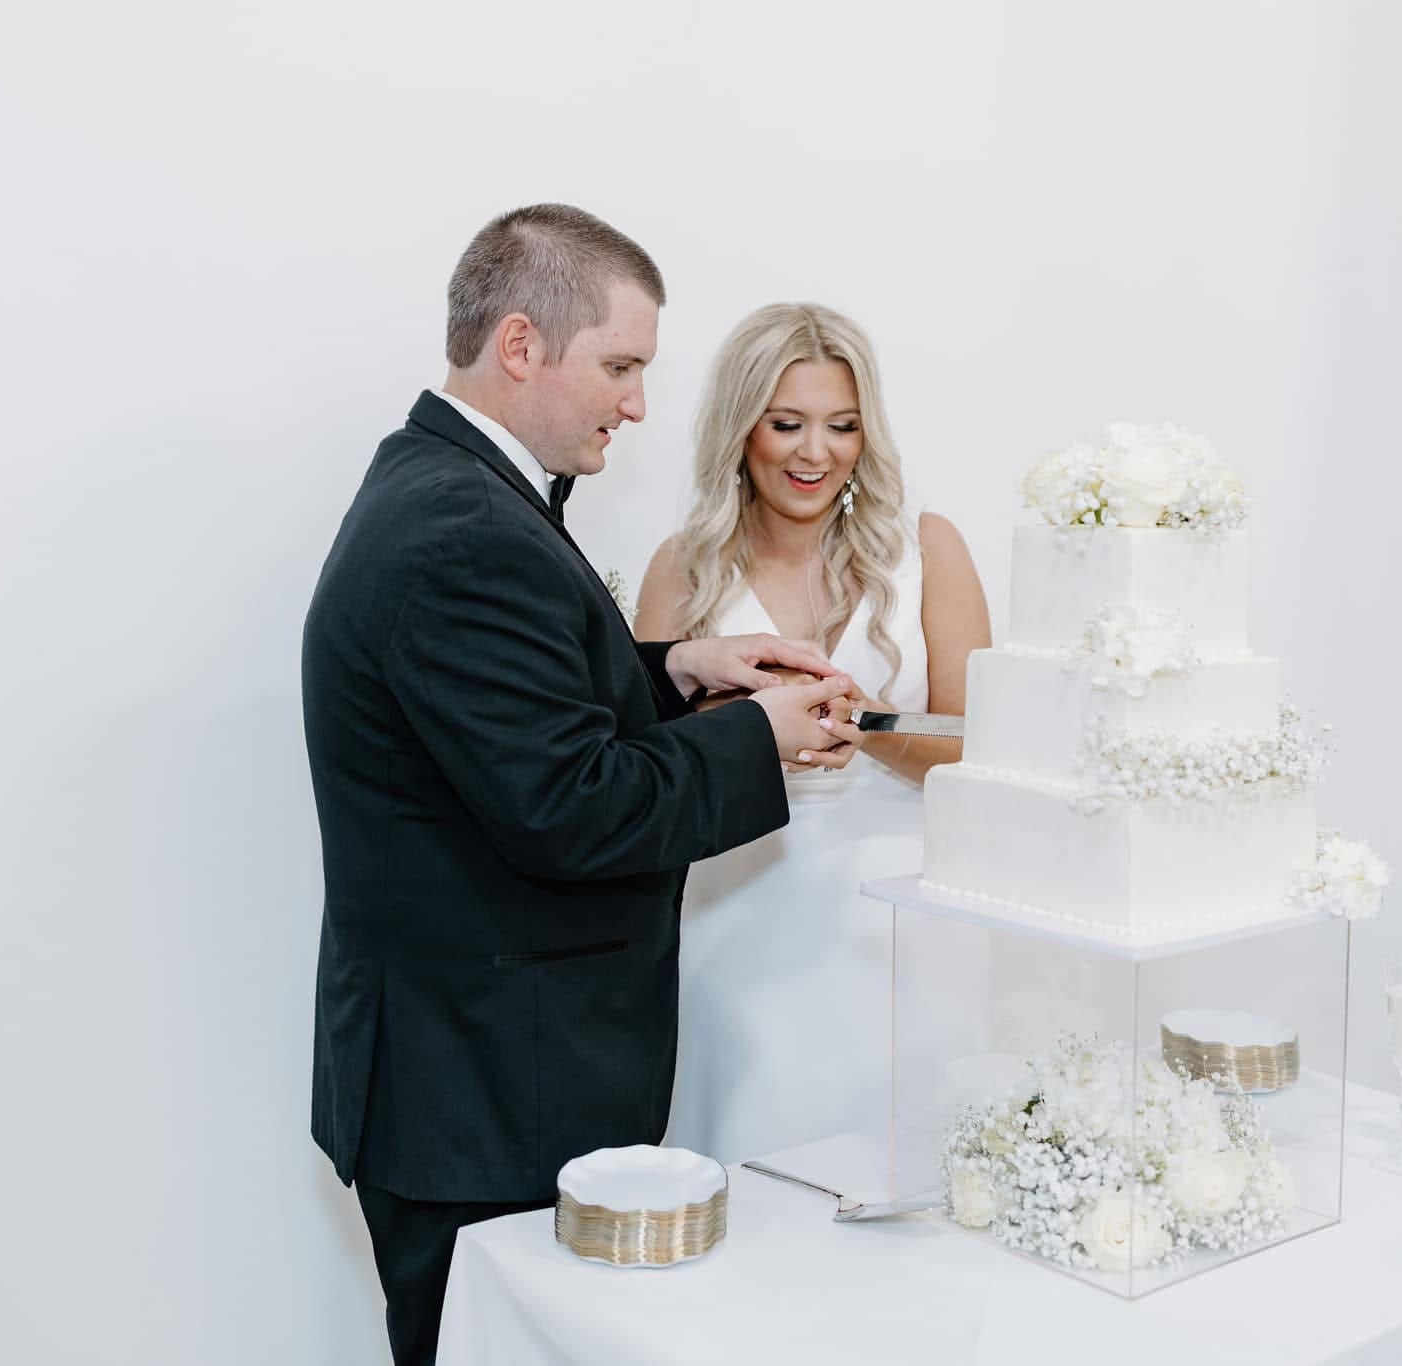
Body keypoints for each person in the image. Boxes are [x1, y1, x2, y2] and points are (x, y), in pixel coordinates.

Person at [301, 207, 860, 1366]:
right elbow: (571, 805)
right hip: (487, 1088)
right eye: (620, 366)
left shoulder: (442, 486)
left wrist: (679, 669)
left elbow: (513, 725)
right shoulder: (463, 532)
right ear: (520, 346)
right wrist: (759, 736)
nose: (637, 403)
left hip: (480, 1070)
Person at [635, 302, 992, 1170]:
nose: (814, 452)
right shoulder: (683, 565)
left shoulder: (928, 550)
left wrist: (862, 724)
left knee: (916, 1165)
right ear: (740, 428)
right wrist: (758, 728)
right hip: (743, 910)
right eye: (786, 423)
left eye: (841, 426)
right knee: (751, 1164)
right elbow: (647, 762)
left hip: (904, 922)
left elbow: (981, 752)